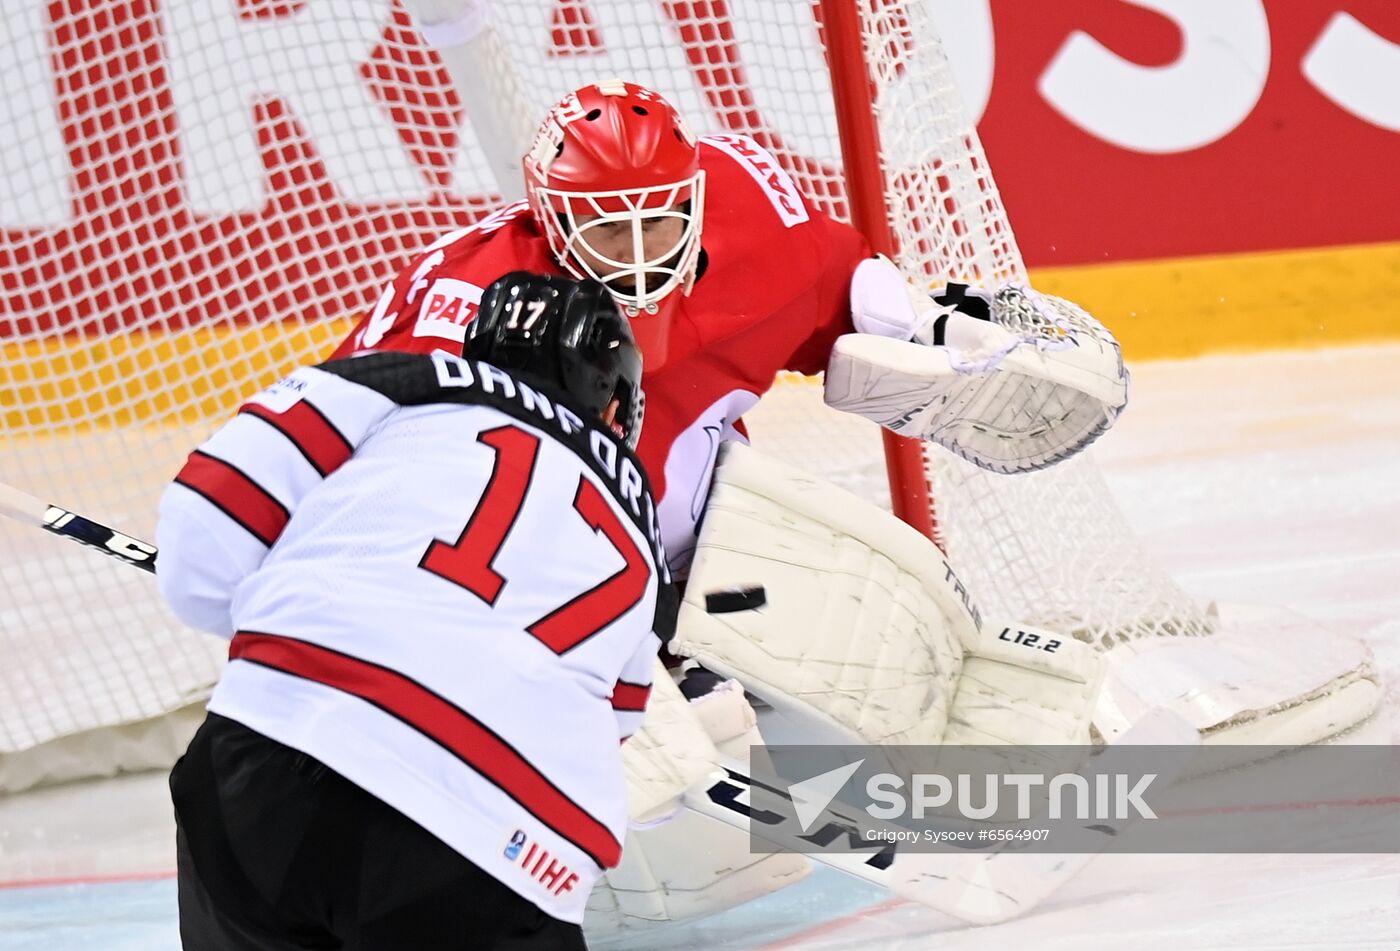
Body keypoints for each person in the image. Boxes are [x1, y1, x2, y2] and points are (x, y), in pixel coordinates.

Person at [327, 78, 1128, 934]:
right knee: (639, 807)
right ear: (549, 218)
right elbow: (353, 454)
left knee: (867, 641)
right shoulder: (463, 301)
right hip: (540, 574)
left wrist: (947, 339)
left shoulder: (755, 217)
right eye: (606, 227)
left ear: (696, 194)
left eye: (660, 220)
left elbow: (851, 292)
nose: (637, 251)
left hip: (704, 537)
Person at [156, 272, 673, 949]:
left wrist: (296, 606)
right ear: (615, 402)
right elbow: (619, 721)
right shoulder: (643, 527)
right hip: (496, 843)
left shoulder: (392, 379)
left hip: (264, 766)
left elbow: (201, 538)